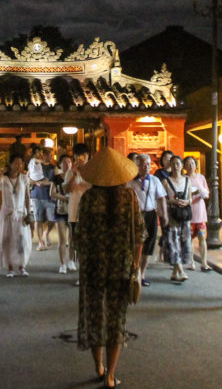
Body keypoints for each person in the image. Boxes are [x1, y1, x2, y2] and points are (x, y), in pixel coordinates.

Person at [75, 146, 143, 389]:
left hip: (93, 267)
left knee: (96, 316)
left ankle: (98, 366)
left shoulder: (89, 199)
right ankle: (111, 375)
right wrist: (135, 264)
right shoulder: (130, 199)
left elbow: (80, 236)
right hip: (121, 267)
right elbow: (140, 236)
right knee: (116, 320)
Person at [126, 153, 166, 287]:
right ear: (136, 165)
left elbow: (161, 198)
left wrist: (164, 215)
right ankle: (133, 272)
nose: (146, 167)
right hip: (134, 215)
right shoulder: (129, 181)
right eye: (143, 164)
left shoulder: (154, 180)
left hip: (150, 215)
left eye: (148, 164)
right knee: (133, 244)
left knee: (149, 245)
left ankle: (142, 274)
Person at [0, 154, 33, 277]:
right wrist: (1, 173)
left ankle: (22, 266)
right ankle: (10, 268)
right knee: (7, 240)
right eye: (16, 163)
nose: (18, 166)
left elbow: (27, 196)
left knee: (22, 240)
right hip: (7, 214)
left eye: (20, 163)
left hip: (21, 213)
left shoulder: (24, 178)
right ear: (9, 165)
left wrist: (29, 212)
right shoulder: (4, 179)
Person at [162, 154, 193, 282]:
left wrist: (187, 202)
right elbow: (162, 199)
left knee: (184, 241)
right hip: (172, 215)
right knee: (173, 241)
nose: (176, 166)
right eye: (173, 164)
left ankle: (175, 273)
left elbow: (190, 197)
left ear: (182, 166)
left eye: (178, 164)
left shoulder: (187, 180)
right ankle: (181, 270)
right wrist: (172, 202)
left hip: (184, 215)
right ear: (170, 166)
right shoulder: (165, 181)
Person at [65, 142, 92, 278]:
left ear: (88, 156)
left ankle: (89, 273)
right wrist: (76, 175)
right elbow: (67, 189)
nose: (81, 158)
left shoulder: (94, 172)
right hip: (75, 212)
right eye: (78, 156)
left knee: (90, 245)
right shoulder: (71, 172)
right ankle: (82, 275)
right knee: (79, 244)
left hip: (91, 212)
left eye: (83, 155)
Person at [183, 156, 211, 272]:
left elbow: (207, 194)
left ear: (196, 165)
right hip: (188, 212)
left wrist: (201, 192)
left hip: (199, 211)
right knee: (189, 239)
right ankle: (191, 262)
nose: (190, 166)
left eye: (192, 163)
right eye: (188, 164)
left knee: (201, 237)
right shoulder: (183, 179)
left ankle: (204, 263)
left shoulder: (201, 178)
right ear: (184, 166)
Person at [28, 146, 55, 250]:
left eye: (52, 155)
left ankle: (47, 233)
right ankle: (40, 242)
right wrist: (35, 182)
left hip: (49, 196)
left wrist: (47, 183)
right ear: (43, 155)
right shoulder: (35, 165)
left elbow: (55, 181)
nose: (51, 157)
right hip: (36, 195)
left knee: (52, 218)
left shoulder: (53, 168)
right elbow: (28, 178)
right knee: (38, 219)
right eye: (49, 155)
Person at [49, 154, 73, 273]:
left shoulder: (74, 176)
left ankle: (71, 260)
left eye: (69, 162)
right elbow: (52, 193)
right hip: (61, 210)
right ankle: (62, 263)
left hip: (73, 210)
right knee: (62, 239)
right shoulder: (57, 178)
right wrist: (64, 198)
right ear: (60, 164)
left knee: (72, 238)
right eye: (64, 162)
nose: (67, 164)